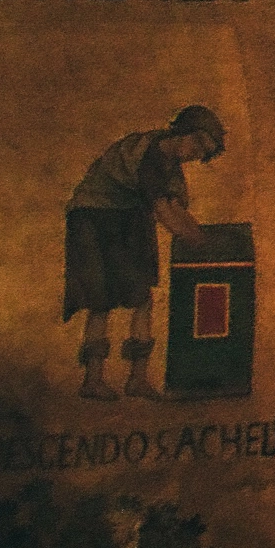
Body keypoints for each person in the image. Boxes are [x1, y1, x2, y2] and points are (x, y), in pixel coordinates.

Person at [63, 105, 225, 400]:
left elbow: (175, 208)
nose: (197, 154)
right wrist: (201, 242)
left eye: (204, 152)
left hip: (129, 217)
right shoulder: (150, 155)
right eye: (199, 144)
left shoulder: (169, 166)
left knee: (142, 297)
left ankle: (137, 379)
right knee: (100, 300)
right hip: (94, 218)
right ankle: (93, 379)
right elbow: (164, 211)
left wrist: (201, 235)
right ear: (184, 131)